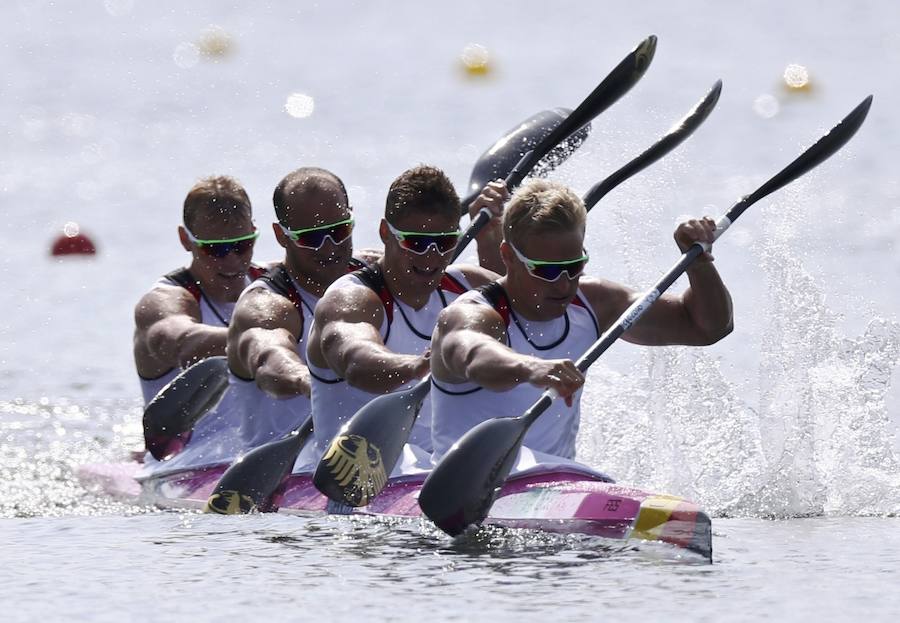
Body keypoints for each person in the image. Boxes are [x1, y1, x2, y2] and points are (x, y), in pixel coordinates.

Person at [429, 179, 733, 471]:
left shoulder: (594, 302)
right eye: (546, 271)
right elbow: (475, 356)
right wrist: (533, 368)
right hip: (459, 483)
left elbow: (706, 327)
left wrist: (699, 265)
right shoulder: (472, 314)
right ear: (507, 256)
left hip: (554, 484)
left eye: (573, 267)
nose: (563, 284)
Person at [304, 165, 504, 471]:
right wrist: (418, 364)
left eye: (446, 242)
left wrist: (491, 242)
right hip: (354, 472)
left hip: (439, 468)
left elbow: (529, 314)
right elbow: (356, 360)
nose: (431, 257)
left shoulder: (469, 287)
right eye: (416, 243)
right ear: (386, 233)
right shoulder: (352, 299)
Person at [133, 175, 265, 405]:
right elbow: (180, 343)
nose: (232, 261)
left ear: (254, 231)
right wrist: (265, 341)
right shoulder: (165, 301)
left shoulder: (273, 284)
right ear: (185, 240)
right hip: (195, 441)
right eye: (216, 249)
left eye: (242, 245)